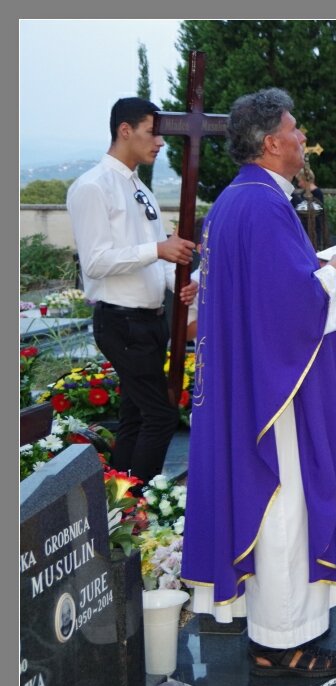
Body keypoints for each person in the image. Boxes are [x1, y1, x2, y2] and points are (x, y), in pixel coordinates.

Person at [181, 88, 336, 677]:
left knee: (276, 502)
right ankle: (281, 642)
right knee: (285, 499)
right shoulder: (264, 205)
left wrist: (317, 271)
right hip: (275, 391)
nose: (302, 138)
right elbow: (287, 301)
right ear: (271, 142)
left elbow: (260, 287)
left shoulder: (235, 199)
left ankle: (278, 631)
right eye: (294, 129)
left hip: (252, 377)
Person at [67, 97, 197, 484]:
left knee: (136, 416)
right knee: (161, 416)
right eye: (152, 132)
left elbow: (160, 257)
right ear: (125, 130)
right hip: (121, 321)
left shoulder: (140, 188)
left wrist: (181, 284)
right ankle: (140, 502)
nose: (160, 142)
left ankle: (120, 500)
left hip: (151, 321)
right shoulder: (93, 186)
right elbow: (95, 262)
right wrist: (158, 249)